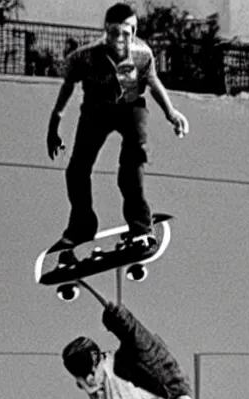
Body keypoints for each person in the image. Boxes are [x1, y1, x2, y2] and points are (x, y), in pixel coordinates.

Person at [47, 3, 189, 252]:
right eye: (115, 32)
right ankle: (82, 226)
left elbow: (152, 81)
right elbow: (68, 85)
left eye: (127, 32)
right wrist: (54, 123)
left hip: (131, 109)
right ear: (105, 31)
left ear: (134, 32)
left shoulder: (143, 53)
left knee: (131, 170)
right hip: (95, 112)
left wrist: (171, 112)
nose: (121, 39)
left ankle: (141, 228)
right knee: (77, 170)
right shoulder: (85, 56)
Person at [61, 302, 194, 399]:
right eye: (82, 380)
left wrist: (124, 323)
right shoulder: (94, 389)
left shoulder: (124, 363)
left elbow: (149, 348)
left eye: (92, 375)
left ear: (98, 359)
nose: (90, 383)